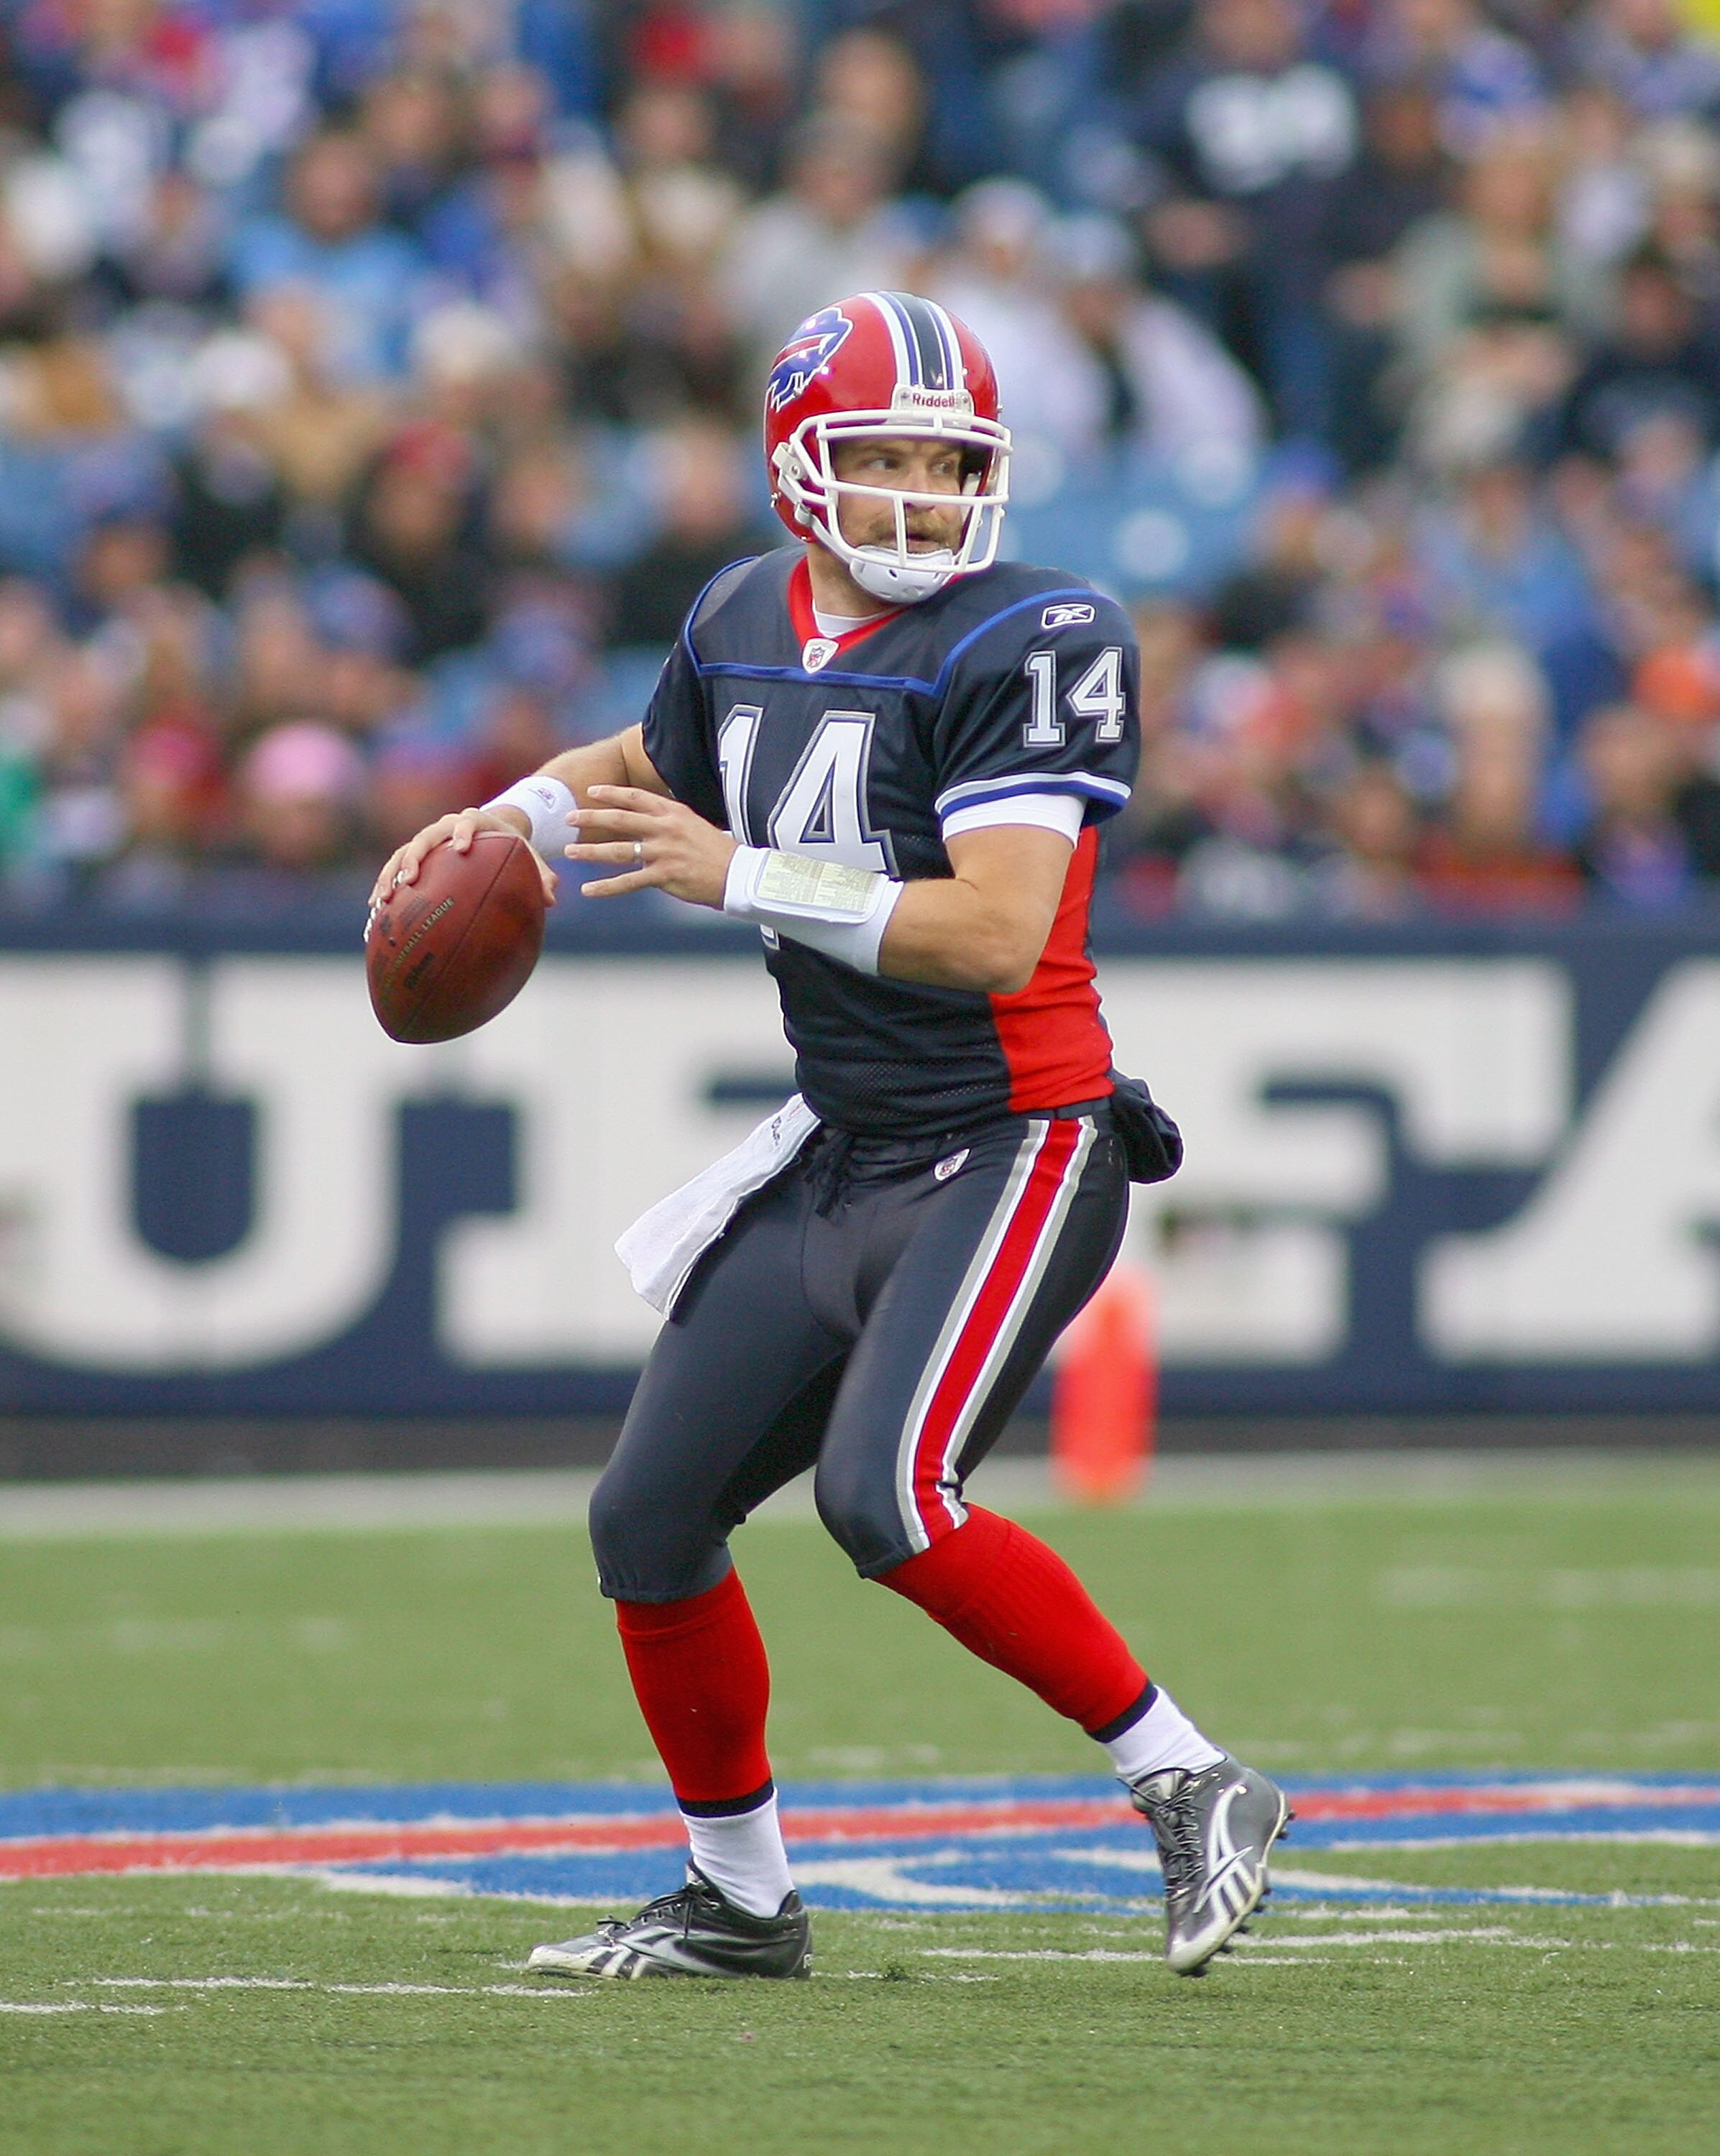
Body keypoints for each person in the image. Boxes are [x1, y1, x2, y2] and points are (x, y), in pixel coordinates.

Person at [371, 291, 1290, 1982]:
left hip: (1019, 1137)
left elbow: (997, 931)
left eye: (951, 461)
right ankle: (740, 1899)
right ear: (800, 467)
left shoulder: (1040, 632)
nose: (925, 492)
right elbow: (652, 761)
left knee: (892, 1499)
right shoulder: (742, 613)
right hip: (847, 1142)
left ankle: (1193, 1778)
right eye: (884, 456)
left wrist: (745, 876)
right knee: (646, 1519)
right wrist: (509, 814)